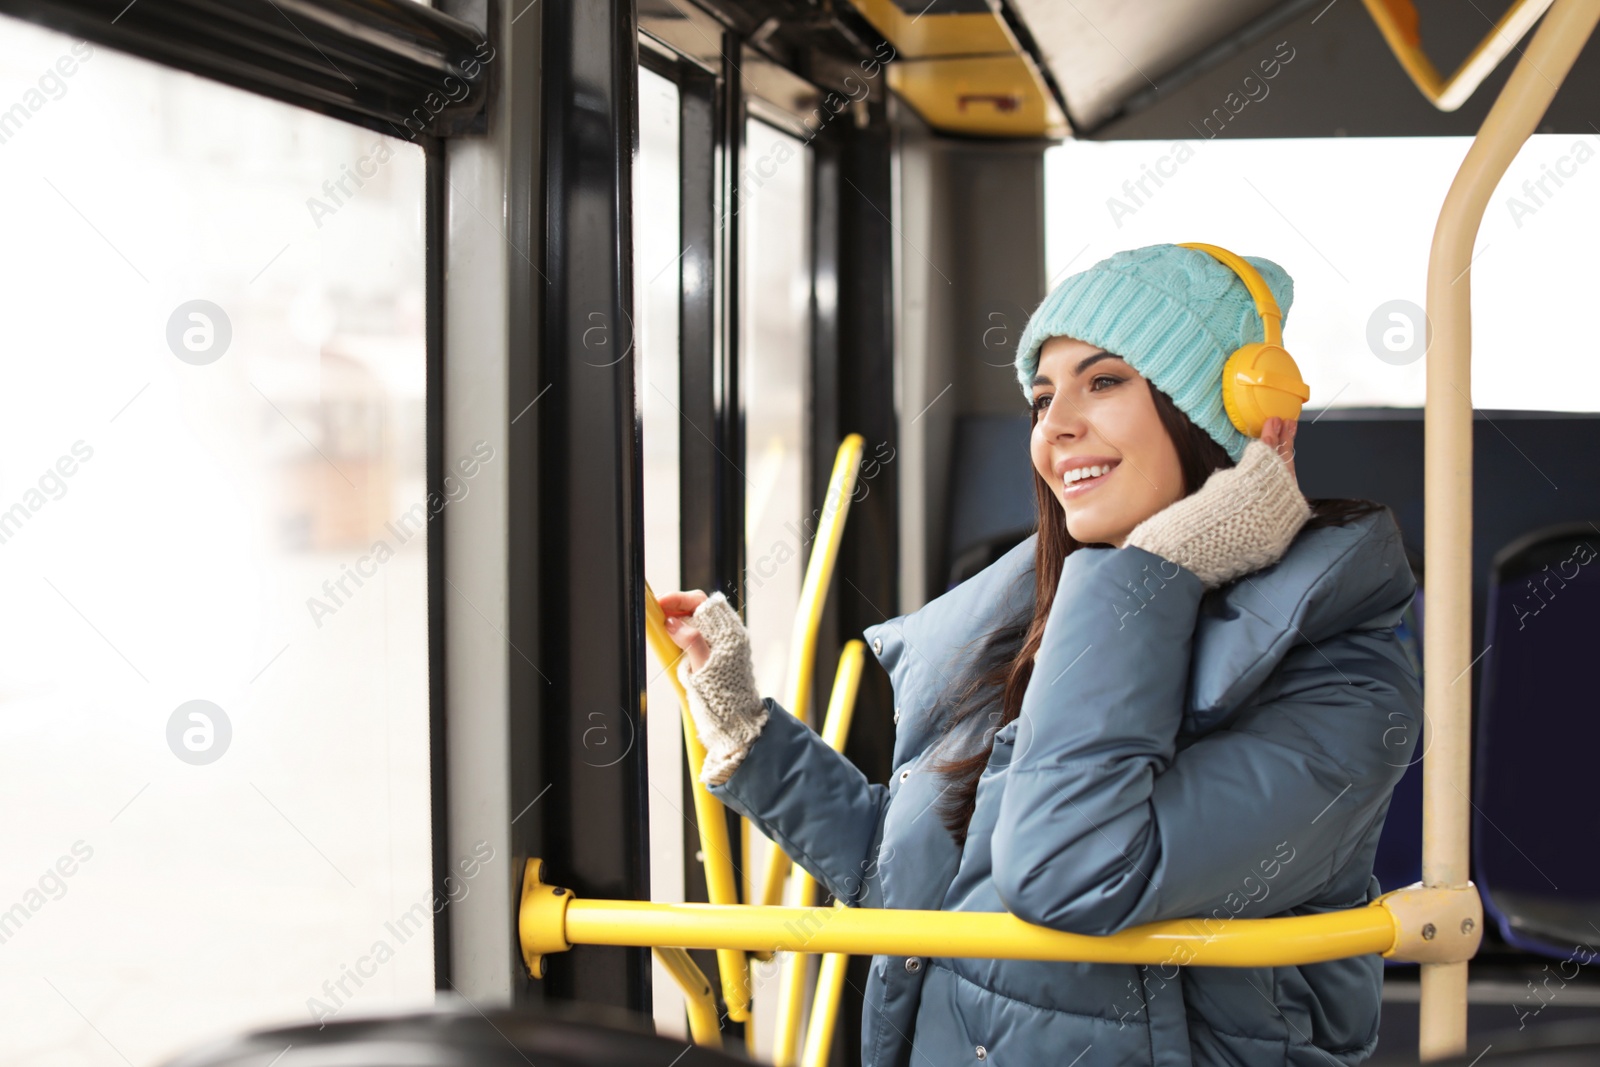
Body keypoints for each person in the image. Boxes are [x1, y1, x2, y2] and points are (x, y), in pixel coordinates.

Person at [659, 243, 1423, 1066]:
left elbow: (1068, 873)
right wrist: (745, 729)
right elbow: (925, 888)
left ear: (1224, 412)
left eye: (1103, 382)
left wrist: (1155, 566)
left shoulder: (1344, 680)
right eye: (1041, 398)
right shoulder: (1040, 617)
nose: (1055, 427)